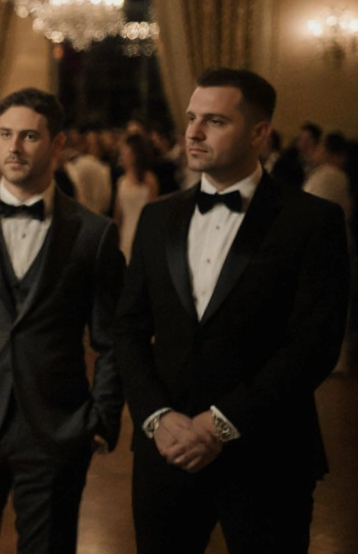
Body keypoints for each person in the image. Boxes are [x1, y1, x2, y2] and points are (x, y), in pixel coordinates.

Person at [114, 68, 349, 554]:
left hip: (267, 454)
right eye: (191, 119)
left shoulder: (311, 221)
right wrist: (157, 417)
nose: (194, 133)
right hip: (166, 450)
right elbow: (129, 329)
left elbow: (314, 343)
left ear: (259, 132)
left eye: (215, 121)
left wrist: (218, 423)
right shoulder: (157, 218)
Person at [0, 89, 124, 554]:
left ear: (57, 145)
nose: (13, 148)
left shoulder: (93, 234)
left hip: (57, 426)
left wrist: (100, 418)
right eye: (4, 135)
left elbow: (114, 339)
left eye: (28, 136)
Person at [114, 133, 159, 263]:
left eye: (125, 153)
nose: (122, 157)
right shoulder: (121, 181)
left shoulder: (149, 180)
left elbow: (153, 213)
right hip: (126, 235)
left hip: (144, 234)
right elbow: (118, 216)